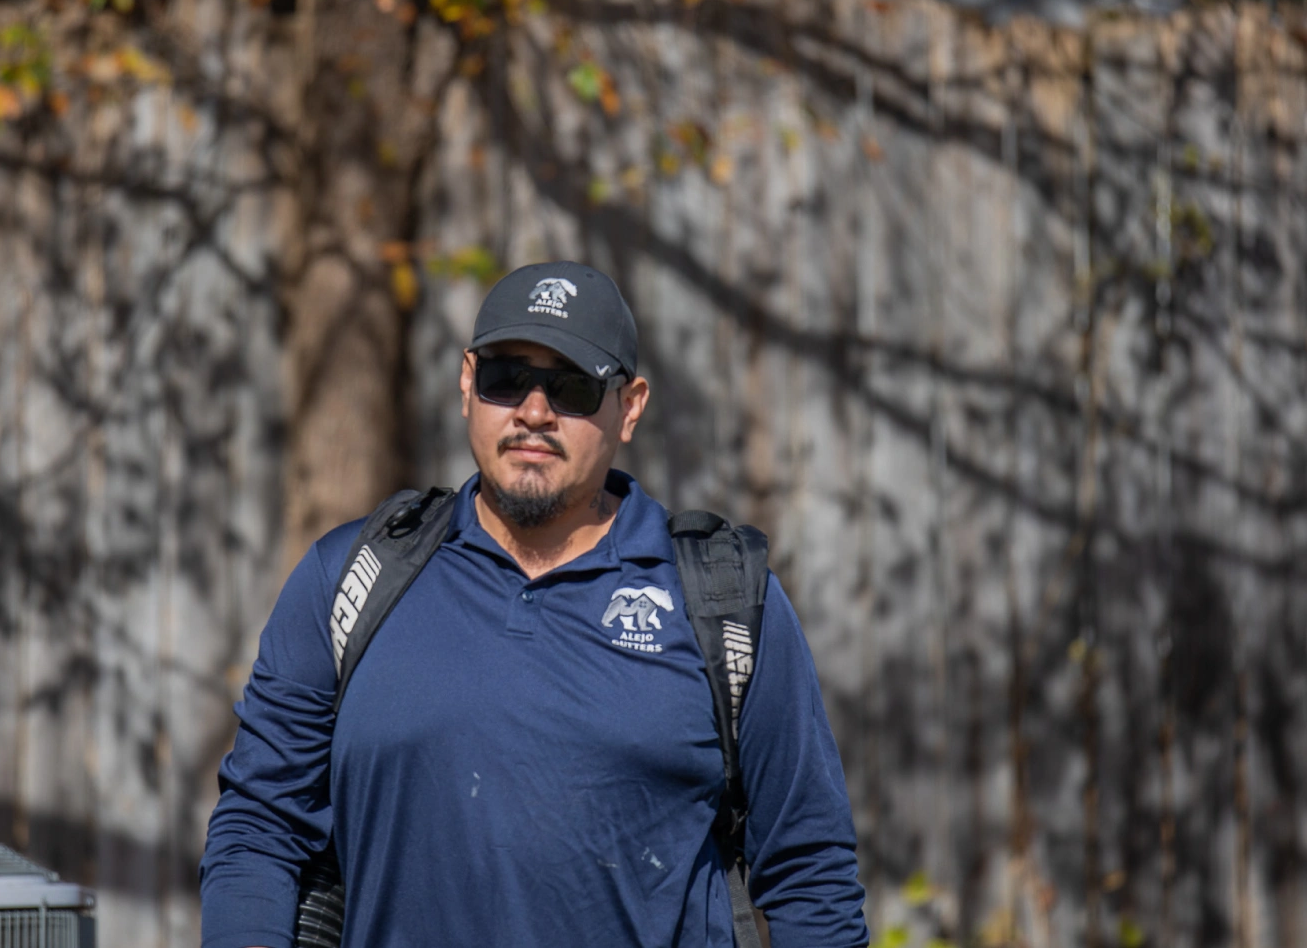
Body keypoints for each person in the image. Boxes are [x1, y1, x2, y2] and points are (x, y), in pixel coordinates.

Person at [200, 261, 868, 948]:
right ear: (467, 383)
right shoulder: (353, 577)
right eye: (506, 378)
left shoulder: (722, 600)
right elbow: (260, 827)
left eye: (573, 386)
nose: (534, 411)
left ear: (630, 406)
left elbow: (809, 874)